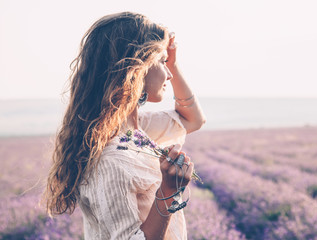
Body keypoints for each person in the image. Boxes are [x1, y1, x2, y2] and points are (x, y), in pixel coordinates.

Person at [43, 12, 206, 240]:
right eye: (161, 62)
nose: (169, 74)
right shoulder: (110, 159)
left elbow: (193, 120)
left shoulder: (137, 132)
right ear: (136, 69)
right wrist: (168, 193)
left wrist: (173, 62)